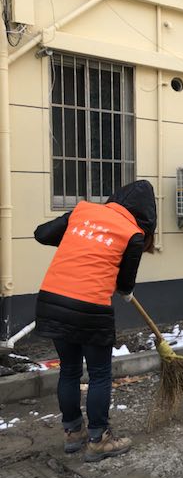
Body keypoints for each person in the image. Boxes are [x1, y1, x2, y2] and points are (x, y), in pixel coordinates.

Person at [34, 180, 157, 462]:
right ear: (146, 215)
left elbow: (41, 233)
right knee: (100, 373)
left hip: (52, 300)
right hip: (90, 307)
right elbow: (124, 285)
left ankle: (73, 433)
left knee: (69, 370)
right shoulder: (133, 233)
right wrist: (125, 290)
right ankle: (99, 440)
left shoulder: (82, 211)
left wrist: (80, 239)